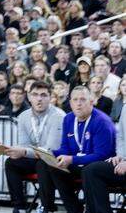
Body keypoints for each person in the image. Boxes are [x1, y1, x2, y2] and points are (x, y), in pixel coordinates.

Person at [40, 85, 116, 213]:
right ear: (70, 103)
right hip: (79, 164)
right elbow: (65, 148)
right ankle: (70, 209)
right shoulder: (68, 119)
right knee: (47, 164)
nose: (78, 104)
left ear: (91, 102)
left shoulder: (102, 121)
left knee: (90, 169)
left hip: (99, 166)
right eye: (75, 100)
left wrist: (71, 159)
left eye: (83, 99)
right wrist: (48, 154)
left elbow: (102, 155)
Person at [5, 81, 65, 213]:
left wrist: (25, 151)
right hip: (35, 156)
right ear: (29, 97)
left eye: (43, 95)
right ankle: (19, 206)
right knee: (11, 162)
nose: (39, 99)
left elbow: (51, 149)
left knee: (42, 163)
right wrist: (22, 151)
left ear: (50, 97)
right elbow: (24, 144)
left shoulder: (58, 116)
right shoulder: (23, 116)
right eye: (35, 95)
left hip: (55, 160)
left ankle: (47, 207)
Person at [81, 106, 126, 213]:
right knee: (90, 170)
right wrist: (120, 156)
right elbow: (121, 137)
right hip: (123, 162)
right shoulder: (125, 107)